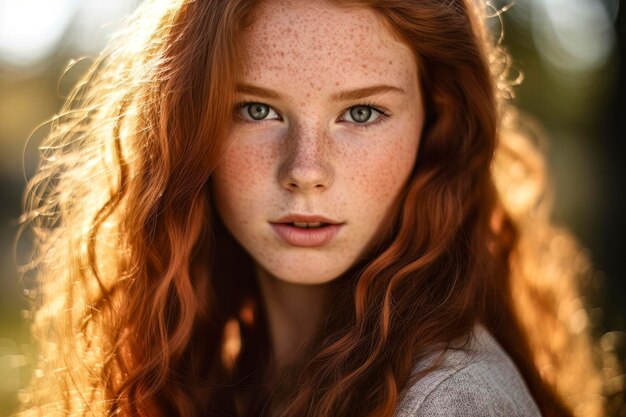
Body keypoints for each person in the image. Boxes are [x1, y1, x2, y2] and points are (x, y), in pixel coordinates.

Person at [16, 0, 607, 416]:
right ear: (186, 128)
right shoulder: (215, 372)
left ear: (437, 127)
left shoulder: (450, 402)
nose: (305, 171)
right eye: (256, 110)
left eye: (361, 113)